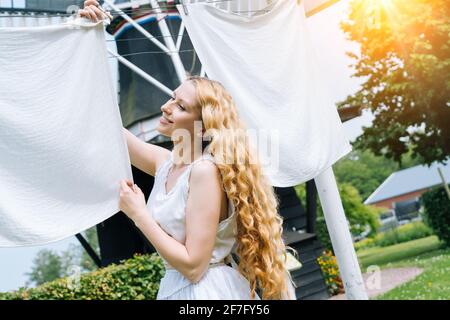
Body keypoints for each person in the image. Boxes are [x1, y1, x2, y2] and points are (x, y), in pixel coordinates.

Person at [80, 0, 297, 300]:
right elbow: (104, 123)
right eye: (172, 97)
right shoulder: (165, 163)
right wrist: (88, 40)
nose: (166, 107)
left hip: (207, 291)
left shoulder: (204, 171)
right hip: (177, 289)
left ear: (203, 125)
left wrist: (139, 214)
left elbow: (194, 266)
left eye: (180, 106)